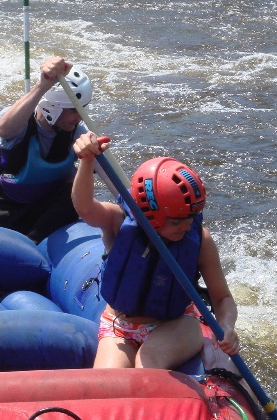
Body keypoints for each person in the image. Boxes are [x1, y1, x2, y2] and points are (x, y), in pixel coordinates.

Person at [71, 133, 241, 370]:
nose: (187, 226)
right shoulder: (118, 222)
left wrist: (227, 324)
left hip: (177, 324)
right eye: (176, 221)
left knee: (146, 364)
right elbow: (85, 207)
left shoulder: (200, 239)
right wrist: (87, 161)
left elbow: (222, 297)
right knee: (108, 380)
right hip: (119, 326)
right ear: (149, 216)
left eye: (191, 217)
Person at [0, 56, 93, 243]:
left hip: (50, 209)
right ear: (52, 106)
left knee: (69, 193)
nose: (79, 117)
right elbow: (3, 129)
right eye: (72, 110)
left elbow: (111, 178)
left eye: (82, 108)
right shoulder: (21, 122)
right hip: (5, 204)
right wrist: (43, 84)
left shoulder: (78, 133)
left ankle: (32, 245)